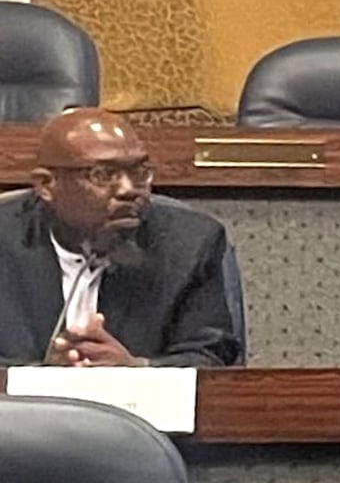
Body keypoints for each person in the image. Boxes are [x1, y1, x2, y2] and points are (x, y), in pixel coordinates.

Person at [0, 106, 246, 367]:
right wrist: (41, 377)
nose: (129, 190)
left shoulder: (189, 242)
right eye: (102, 175)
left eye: (139, 173)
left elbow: (213, 356)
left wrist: (136, 370)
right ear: (47, 185)